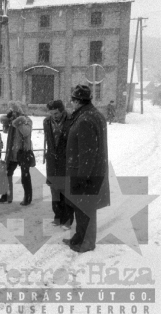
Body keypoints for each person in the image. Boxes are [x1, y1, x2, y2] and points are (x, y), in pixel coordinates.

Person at [64, 85, 110, 253]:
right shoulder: (95, 115)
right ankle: (78, 238)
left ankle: (87, 243)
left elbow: (87, 153)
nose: (71, 104)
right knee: (82, 209)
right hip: (92, 171)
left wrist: (81, 178)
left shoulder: (85, 120)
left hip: (85, 173)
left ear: (77, 101)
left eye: (73, 100)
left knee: (86, 210)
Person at [43, 100, 74, 227]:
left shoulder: (71, 121)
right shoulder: (46, 122)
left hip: (66, 160)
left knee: (66, 190)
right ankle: (58, 216)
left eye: (56, 113)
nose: (54, 116)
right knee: (54, 190)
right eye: (51, 113)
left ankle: (67, 219)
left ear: (62, 110)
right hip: (52, 161)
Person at [0, 101, 33, 205]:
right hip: (12, 152)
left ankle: (28, 198)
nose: (13, 113)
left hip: (23, 152)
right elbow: (5, 130)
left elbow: (26, 132)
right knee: (7, 174)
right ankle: (6, 196)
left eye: (14, 111)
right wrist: (7, 121)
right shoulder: (12, 121)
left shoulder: (27, 120)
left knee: (25, 176)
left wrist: (18, 122)